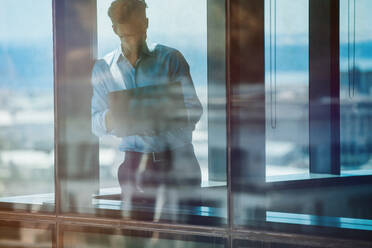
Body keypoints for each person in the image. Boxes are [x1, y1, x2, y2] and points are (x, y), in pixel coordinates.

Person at [91, 0, 203, 217]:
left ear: (146, 23)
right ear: (115, 30)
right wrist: (115, 117)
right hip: (134, 166)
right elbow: (95, 123)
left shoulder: (170, 59)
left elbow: (195, 110)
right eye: (126, 36)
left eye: (138, 34)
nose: (133, 44)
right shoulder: (104, 69)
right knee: (139, 236)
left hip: (178, 161)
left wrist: (161, 113)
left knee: (189, 233)